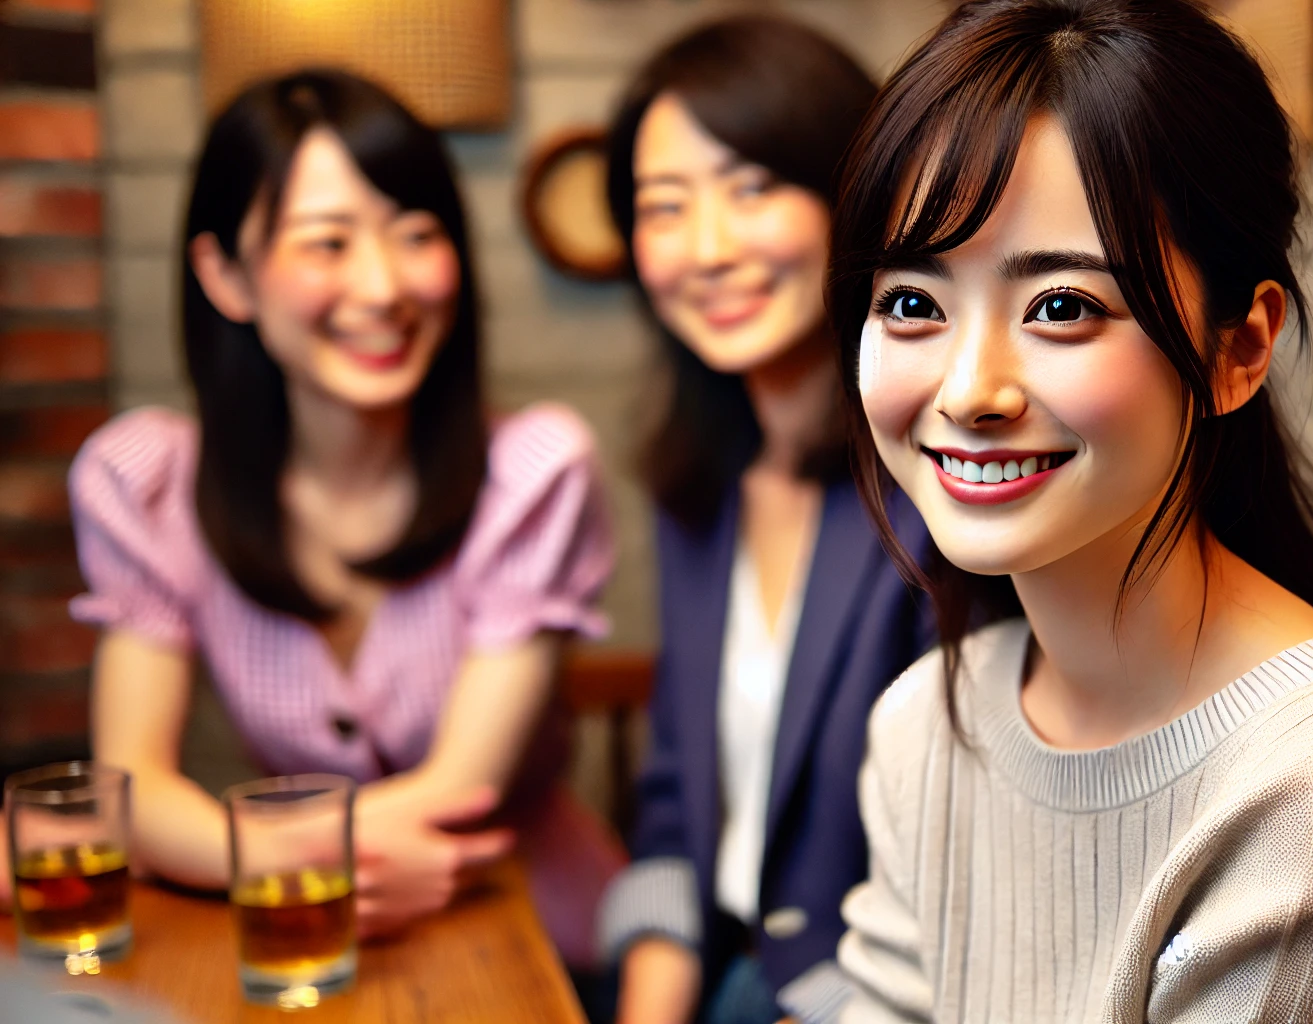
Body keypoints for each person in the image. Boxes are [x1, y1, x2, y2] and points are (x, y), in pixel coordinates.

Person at [830, 1, 1313, 1020]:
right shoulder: (929, 724)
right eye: (914, 303)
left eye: (1062, 306)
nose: (970, 389)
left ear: (1238, 348)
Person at [58, 70, 624, 966]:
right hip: (309, 937)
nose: (383, 286)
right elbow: (131, 792)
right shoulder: (151, 484)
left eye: (416, 235)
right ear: (225, 274)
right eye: (327, 243)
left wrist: (223, 848)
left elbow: (458, 791)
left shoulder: (532, 474)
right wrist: (275, 865)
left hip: (533, 934)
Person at [596, 17, 933, 1024]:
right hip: (714, 977)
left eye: (751, 189)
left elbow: (972, 869)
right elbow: (672, 806)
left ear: (854, 195)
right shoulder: (698, 488)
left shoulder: (943, 486)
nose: (706, 249)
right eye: (664, 207)